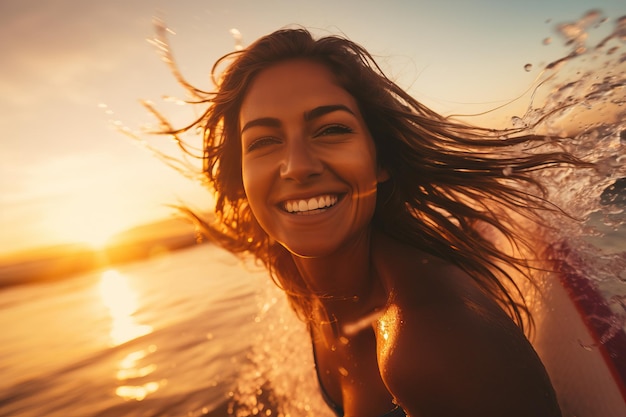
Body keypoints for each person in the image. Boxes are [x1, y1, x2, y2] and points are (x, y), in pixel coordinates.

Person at [155, 28, 584, 416]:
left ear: (380, 159)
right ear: (242, 177)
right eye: (264, 141)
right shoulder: (295, 271)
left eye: (330, 130)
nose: (297, 167)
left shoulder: (434, 340)